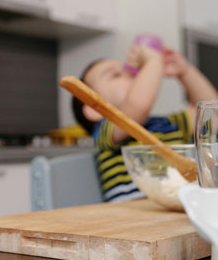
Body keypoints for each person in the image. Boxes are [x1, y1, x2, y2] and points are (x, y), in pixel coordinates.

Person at [72, 43, 218, 202]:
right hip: (133, 218)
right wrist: (154, 60)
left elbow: (212, 114)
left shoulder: (168, 123)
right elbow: (139, 104)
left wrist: (185, 71)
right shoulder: (106, 132)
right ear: (94, 109)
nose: (133, 75)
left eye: (129, 72)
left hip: (181, 209)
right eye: (116, 75)